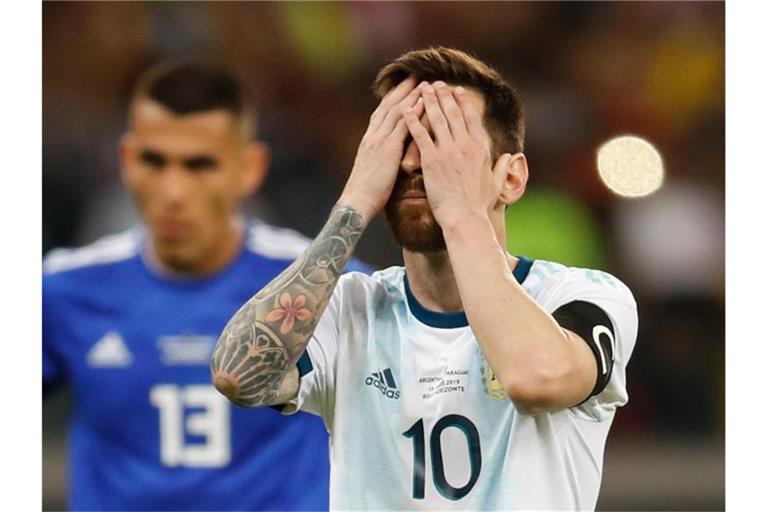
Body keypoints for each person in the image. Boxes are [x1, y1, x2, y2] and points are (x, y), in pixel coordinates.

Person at [211, 47, 638, 510]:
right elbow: (237, 377)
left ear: (511, 179)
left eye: (445, 141)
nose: (415, 162)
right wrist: (355, 200)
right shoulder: (352, 307)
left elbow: (534, 378)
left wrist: (459, 211)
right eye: (401, 140)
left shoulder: (582, 297)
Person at [43, 61, 371, 511]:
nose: (174, 191)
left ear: (250, 168)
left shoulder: (330, 286)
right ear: (126, 161)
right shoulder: (64, 291)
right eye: (154, 161)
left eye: (200, 165)